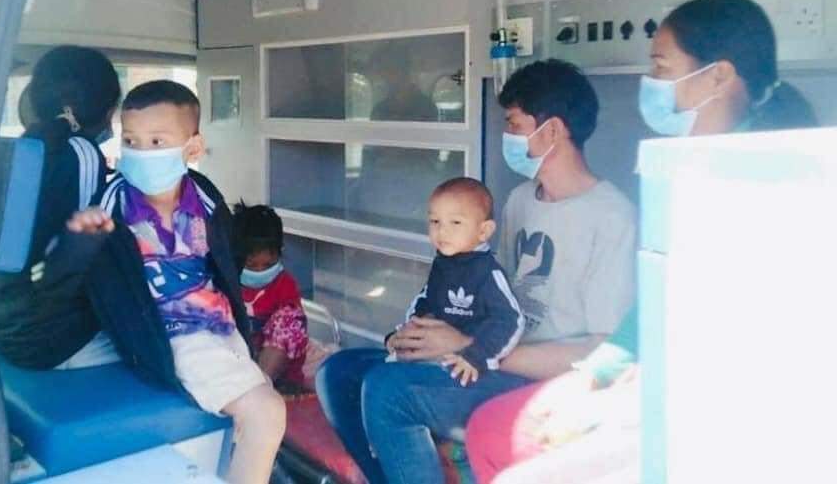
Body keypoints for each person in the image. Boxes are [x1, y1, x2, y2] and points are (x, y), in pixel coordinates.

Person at [465, 0, 817, 484]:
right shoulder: (688, 173)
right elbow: (652, 313)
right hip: (659, 391)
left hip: (726, 416)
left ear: (718, 75)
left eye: (661, 67)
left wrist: (614, 400)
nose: (649, 82)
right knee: (492, 429)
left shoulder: (770, 184)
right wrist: (593, 378)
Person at [317, 59, 636, 484]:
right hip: (484, 355)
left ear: (553, 131)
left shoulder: (611, 217)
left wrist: (470, 346)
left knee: (390, 391)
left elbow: (600, 351)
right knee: (340, 372)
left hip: (533, 378)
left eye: (514, 124)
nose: (508, 137)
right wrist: (424, 334)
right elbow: (485, 292)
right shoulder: (521, 200)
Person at [66, 80, 285, 484]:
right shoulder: (113, 204)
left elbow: (224, 260)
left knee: (259, 396)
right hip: (170, 332)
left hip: (219, 327)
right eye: (130, 141)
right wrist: (79, 241)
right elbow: (87, 275)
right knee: (267, 413)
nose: (140, 153)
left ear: (193, 149)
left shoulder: (204, 197)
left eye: (156, 142)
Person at [0, 45, 121, 370]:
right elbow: (87, 246)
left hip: (1, 324)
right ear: (105, 109)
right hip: (48, 338)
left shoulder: (20, 150)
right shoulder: (81, 153)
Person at [391, 177, 524, 387]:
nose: (442, 231)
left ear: (483, 231)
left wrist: (476, 355)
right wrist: (410, 331)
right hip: (435, 357)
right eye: (435, 221)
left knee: (388, 384)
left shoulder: (487, 272)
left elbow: (510, 320)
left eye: (455, 222)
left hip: (469, 368)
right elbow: (426, 299)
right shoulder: (443, 263)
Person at [234, 202, 309, 392]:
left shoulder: (284, 284)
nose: (260, 271)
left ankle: (259, 388)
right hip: (238, 367)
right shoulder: (228, 281)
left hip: (279, 376)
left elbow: (290, 329)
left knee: (290, 319)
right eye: (251, 265)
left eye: (268, 265)